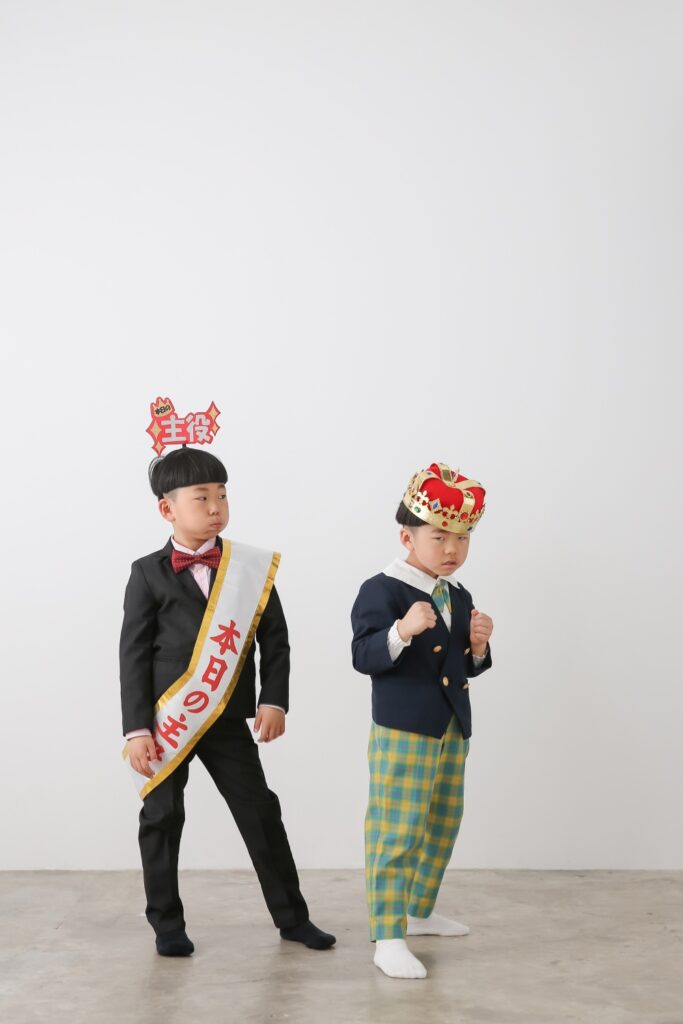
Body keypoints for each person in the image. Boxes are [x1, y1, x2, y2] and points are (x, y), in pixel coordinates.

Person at [120, 446, 335, 956]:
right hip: (168, 721)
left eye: (222, 495)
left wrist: (273, 700)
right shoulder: (147, 572)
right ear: (167, 508)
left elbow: (276, 640)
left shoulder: (249, 569)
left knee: (260, 812)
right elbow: (132, 654)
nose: (216, 506)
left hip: (227, 716)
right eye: (202, 497)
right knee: (162, 819)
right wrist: (137, 730)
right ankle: (167, 926)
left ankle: (293, 919)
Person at [351, 462, 493, 979]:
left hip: (452, 726)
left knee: (442, 821)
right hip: (404, 728)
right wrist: (402, 631)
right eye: (440, 537)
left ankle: (418, 911)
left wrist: (478, 647)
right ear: (406, 537)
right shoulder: (382, 590)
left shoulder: (457, 594)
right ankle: (388, 934)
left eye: (462, 538)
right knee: (396, 829)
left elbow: (461, 665)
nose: (452, 549)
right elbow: (363, 655)